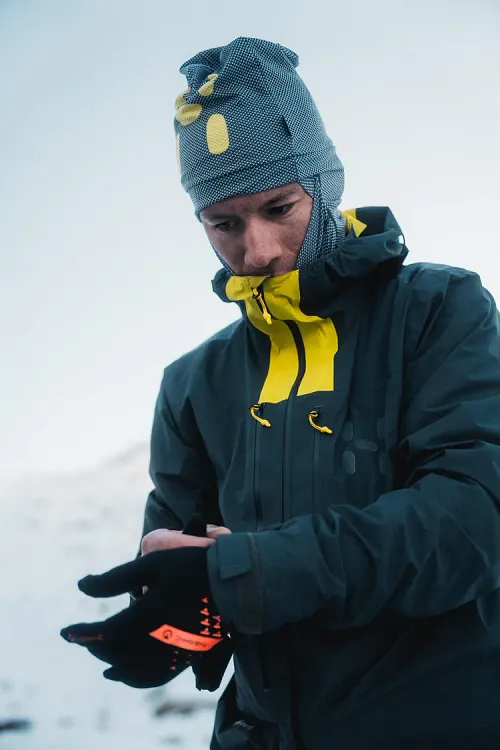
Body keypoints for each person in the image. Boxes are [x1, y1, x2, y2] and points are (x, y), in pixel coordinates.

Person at [61, 37, 500, 749]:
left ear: (323, 187)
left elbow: (473, 522)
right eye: (224, 223)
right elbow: (189, 564)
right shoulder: (193, 385)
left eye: (279, 207)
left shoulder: (436, 309)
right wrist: (174, 622)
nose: (258, 250)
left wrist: (237, 574)